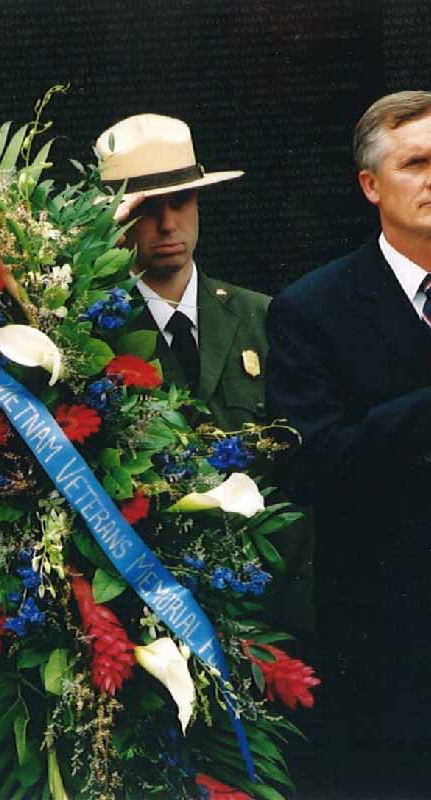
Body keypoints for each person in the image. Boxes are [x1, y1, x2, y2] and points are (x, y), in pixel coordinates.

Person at [266, 90, 431, 796]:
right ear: (371, 186)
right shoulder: (313, 310)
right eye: (417, 162)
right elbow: (305, 467)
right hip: (393, 668)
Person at [96, 114, 313, 634]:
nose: (167, 225)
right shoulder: (93, 335)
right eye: (146, 209)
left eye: (181, 203)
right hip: (149, 609)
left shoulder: (264, 317)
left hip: (267, 599)